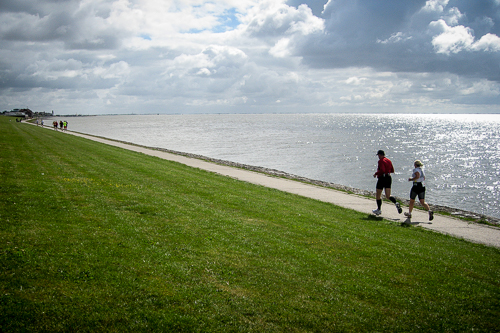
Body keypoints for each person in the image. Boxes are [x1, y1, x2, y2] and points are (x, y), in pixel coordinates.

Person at [372, 150, 402, 215]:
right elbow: (392, 170)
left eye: (378, 155)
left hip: (382, 178)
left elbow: (382, 170)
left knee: (378, 194)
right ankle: (396, 203)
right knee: (388, 196)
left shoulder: (381, 161)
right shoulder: (388, 160)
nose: (378, 157)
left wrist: (376, 173)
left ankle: (379, 209)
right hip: (388, 178)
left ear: (380, 155)